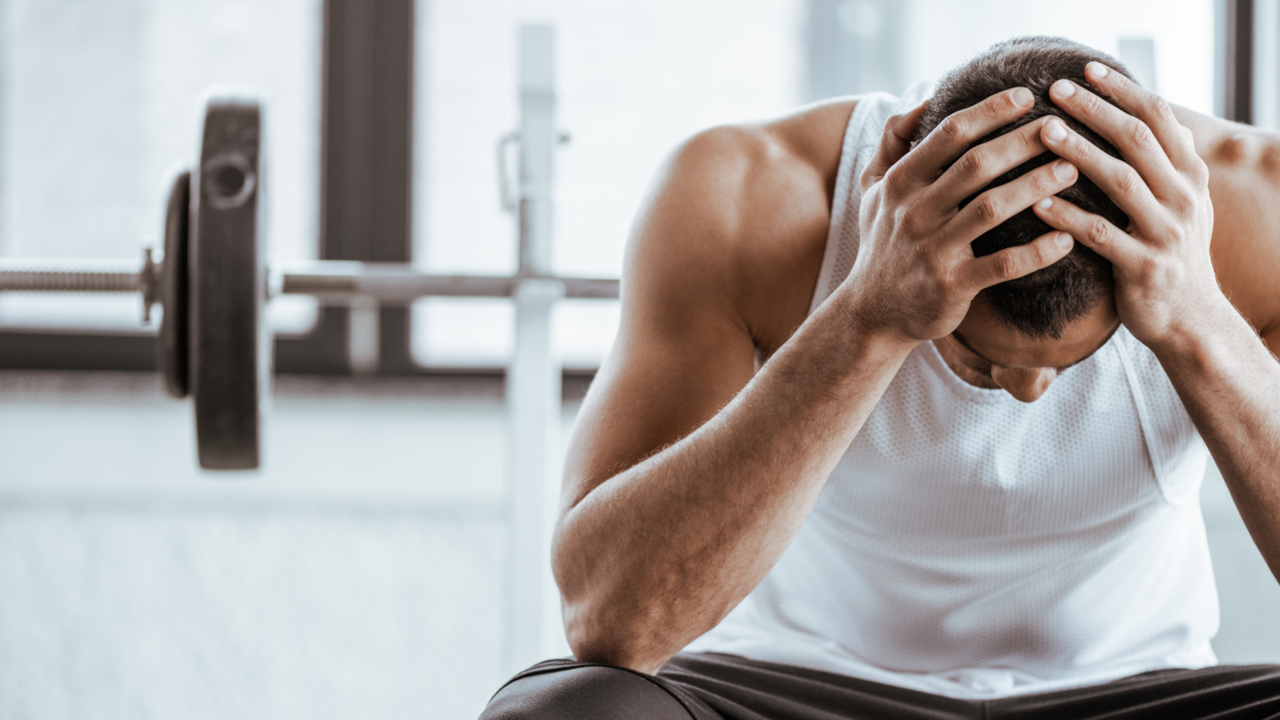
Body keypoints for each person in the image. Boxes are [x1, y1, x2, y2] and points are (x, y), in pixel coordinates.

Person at [480, 36, 1280, 718]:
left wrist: (1197, 320)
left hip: (1133, 695)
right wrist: (868, 314)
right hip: (794, 689)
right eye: (980, 355)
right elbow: (610, 619)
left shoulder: (1256, 210)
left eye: (1070, 363)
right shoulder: (743, 197)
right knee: (564, 711)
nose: (1028, 392)